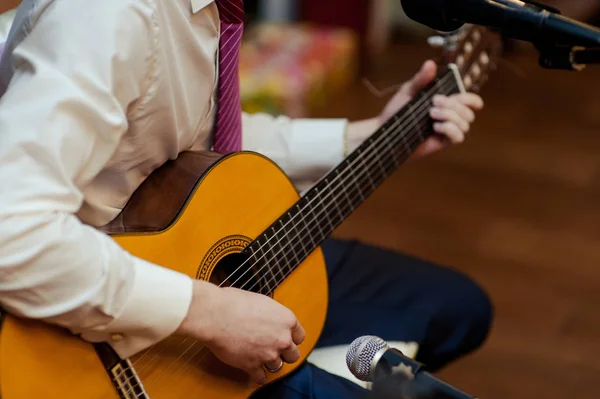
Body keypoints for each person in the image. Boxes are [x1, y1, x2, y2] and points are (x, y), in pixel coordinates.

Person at [0, 0, 492, 397]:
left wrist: (370, 137)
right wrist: (210, 313)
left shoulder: (211, 9)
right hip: (97, 330)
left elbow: (207, 140)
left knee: (458, 307)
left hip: (177, 248)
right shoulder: (111, 15)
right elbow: (10, 229)